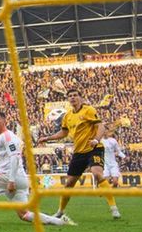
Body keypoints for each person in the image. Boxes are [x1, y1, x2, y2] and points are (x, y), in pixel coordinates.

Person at [0, 109, 68, 226]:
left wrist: (11, 181)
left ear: (4, 121)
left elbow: (15, 157)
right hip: (19, 179)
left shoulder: (8, 136)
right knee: (24, 215)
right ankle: (60, 222)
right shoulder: (1, 137)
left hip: (9, 176)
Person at [37, 87, 117, 224]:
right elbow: (63, 133)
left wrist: (96, 140)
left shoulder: (89, 110)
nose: (73, 98)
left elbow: (101, 127)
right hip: (79, 152)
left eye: (75, 95)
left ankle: (114, 208)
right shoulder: (67, 116)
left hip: (94, 148)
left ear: (80, 97)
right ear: (68, 100)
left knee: (97, 173)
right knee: (69, 183)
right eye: (70, 96)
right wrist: (47, 138)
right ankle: (60, 211)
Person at [99, 124, 125, 219]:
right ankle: (108, 196)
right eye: (103, 130)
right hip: (104, 164)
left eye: (106, 130)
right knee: (104, 181)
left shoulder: (113, 141)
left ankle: (108, 192)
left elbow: (118, 151)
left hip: (113, 163)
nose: (105, 132)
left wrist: (124, 157)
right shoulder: (99, 141)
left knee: (115, 182)